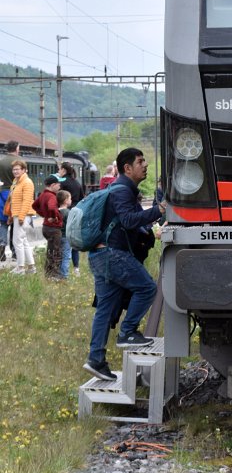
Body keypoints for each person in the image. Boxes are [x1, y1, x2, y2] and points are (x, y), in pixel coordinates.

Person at [84, 147, 166, 382]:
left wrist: (150, 230)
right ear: (127, 168)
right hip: (112, 255)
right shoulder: (122, 191)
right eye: (140, 162)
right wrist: (159, 210)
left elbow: (131, 222)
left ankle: (96, 359)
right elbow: (129, 220)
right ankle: (128, 332)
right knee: (147, 288)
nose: (145, 165)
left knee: (105, 309)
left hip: (100, 256)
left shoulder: (122, 190)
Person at [3, 159, 37, 275]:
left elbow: (27, 201)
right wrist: (11, 216)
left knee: (17, 241)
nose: (15, 171)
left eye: (17, 169)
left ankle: (20, 267)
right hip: (17, 214)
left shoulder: (27, 182)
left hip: (23, 215)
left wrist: (21, 217)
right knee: (24, 241)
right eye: (14, 169)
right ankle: (31, 267)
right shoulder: (16, 181)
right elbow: (13, 200)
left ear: (24, 170)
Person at [32, 174, 63, 278]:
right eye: (58, 184)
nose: (59, 187)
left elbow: (34, 205)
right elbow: (52, 208)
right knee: (56, 251)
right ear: (53, 185)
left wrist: (44, 215)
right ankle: (55, 275)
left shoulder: (42, 195)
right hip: (54, 228)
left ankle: (48, 273)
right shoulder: (52, 196)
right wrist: (54, 217)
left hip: (46, 227)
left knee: (50, 250)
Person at [58, 161, 85, 278]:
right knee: (74, 242)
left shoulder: (62, 182)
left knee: (64, 240)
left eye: (59, 169)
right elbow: (82, 198)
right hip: (75, 213)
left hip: (64, 213)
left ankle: (62, 269)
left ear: (63, 170)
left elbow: (58, 198)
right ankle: (76, 268)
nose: (58, 171)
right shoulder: (77, 183)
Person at [0, 141, 20, 259]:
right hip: (15, 193)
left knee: (3, 223)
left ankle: (1, 248)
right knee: (15, 224)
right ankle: (15, 251)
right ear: (16, 148)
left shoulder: (1, 161)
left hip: (2, 193)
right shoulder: (19, 162)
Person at [0, 180, 8, 262]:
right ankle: (2, 246)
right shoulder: (5, 192)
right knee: (4, 228)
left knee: (3, 229)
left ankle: (2, 248)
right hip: (5, 214)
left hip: (2, 214)